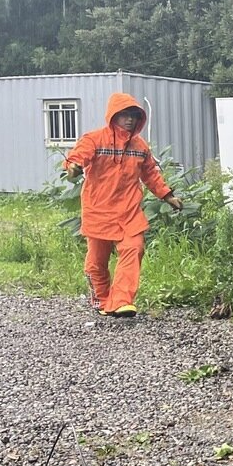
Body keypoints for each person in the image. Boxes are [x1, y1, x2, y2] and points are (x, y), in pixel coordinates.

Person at [61, 93, 182, 317]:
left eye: (134, 116)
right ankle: (104, 300)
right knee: (97, 262)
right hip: (98, 210)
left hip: (128, 211)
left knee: (134, 248)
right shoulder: (94, 139)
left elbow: (151, 174)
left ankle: (122, 300)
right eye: (125, 115)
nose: (129, 120)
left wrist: (167, 195)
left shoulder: (140, 146)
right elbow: (77, 157)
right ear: (113, 116)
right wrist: (74, 167)